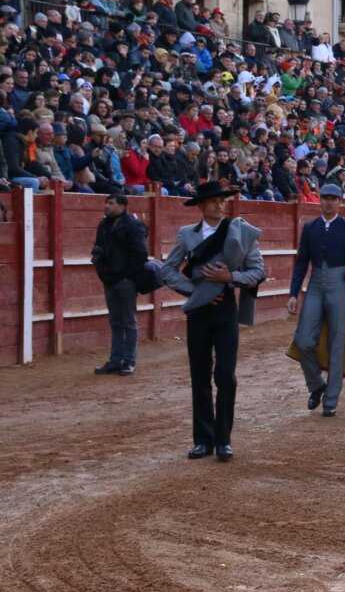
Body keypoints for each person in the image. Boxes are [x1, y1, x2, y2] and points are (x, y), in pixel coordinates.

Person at [160, 181, 266, 462]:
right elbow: (167, 270)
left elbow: (258, 271)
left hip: (225, 311)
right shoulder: (186, 234)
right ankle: (203, 440)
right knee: (200, 374)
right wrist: (197, 292)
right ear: (202, 205)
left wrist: (230, 279)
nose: (221, 205)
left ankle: (224, 439)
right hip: (199, 312)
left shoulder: (240, 232)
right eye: (215, 201)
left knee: (225, 374)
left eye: (223, 200)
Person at [287, 184, 345, 417]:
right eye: (325, 198)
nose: (328, 202)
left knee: (337, 343)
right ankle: (316, 385)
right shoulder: (310, 228)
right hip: (315, 283)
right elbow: (301, 263)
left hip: (339, 285)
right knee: (304, 339)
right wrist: (294, 293)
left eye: (333, 198)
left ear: (340, 202)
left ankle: (331, 400)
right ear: (319, 200)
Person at [91, 193, 148, 376]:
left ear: (122, 206)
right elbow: (99, 248)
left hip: (124, 281)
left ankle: (129, 361)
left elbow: (140, 254)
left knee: (128, 322)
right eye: (106, 203)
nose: (106, 206)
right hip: (109, 279)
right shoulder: (104, 224)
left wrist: (128, 276)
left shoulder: (133, 225)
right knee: (116, 321)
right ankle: (116, 360)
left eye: (111, 203)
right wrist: (102, 272)